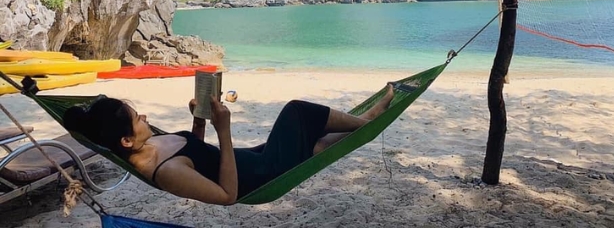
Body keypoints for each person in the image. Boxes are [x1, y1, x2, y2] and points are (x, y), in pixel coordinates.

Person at [63, 85, 395, 205]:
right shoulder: (165, 172)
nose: (145, 117)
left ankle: (364, 123)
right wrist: (224, 129)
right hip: (259, 175)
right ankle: (366, 122)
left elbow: (196, 153)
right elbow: (226, 196)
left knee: (313, 145)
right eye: (138, 119)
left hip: (247, 159)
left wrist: (199, 119)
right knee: (297, 111)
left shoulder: (148, 144)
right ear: (126, 141)